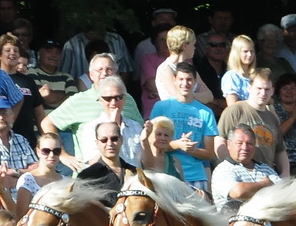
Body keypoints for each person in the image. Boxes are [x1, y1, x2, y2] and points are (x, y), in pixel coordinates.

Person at [148, 64, 218, 194]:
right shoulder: (161, 107)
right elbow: (151, 144)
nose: (185, 83)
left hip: (196, 176)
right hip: (167, 173)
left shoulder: (206, 112)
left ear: (195, 81)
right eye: (181, 79)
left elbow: (210, 153)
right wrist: (178, 144)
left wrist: (192, 150)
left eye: (189, 79)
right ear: (174, 80)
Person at [76, 119, 139, 192]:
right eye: (104, 140)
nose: (110, 144)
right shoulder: (86, 177)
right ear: (97, 143)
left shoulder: (136, 173)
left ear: (121, 140)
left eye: (114, 139)